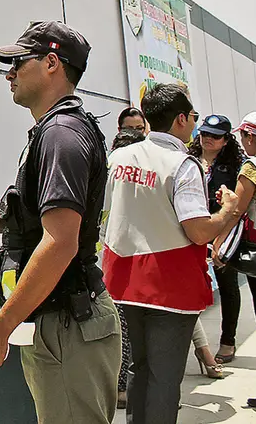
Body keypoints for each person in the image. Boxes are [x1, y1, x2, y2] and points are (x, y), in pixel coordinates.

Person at [0, 21, 121, 424]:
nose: (9, 73)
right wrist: (6, 222)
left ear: (52, 63)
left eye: (18, 62)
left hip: (68, 324)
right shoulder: (58, 130)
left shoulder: (61, 135)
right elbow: (59, 225)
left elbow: (61, 242)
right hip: (61, 322)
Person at [102, 83, 240, 424]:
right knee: (164, 377)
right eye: (193, 116)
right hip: (169, 286)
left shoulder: (118, 158)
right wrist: (229, 211)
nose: (194, 123)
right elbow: (199, 231)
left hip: (124, 281)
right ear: (180, 119)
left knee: (139, 368)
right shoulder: (182, 164)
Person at [214, 112, 256, 409]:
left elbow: (236, 211)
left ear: (251, 137)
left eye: (243, 136)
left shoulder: (254, 168)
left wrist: (218, 244)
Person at [189, 114, 245, 367]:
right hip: (192, 229)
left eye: (215, 136)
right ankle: (198, 346)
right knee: (188, 287)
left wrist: (222, 238)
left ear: (226, 140)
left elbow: (240, 205)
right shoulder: (188, 159)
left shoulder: (235, 165)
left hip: (222, 230)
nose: (208, 139)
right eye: (204, 134)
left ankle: (227, 341)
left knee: (227, 285)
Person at [109, 128, 147, 410]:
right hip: (131, 262)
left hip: (114, 261)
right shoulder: (145, 177)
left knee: (124, 329)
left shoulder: (107, 172)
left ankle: (123, 386)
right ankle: (126, 387)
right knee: (133, 330)